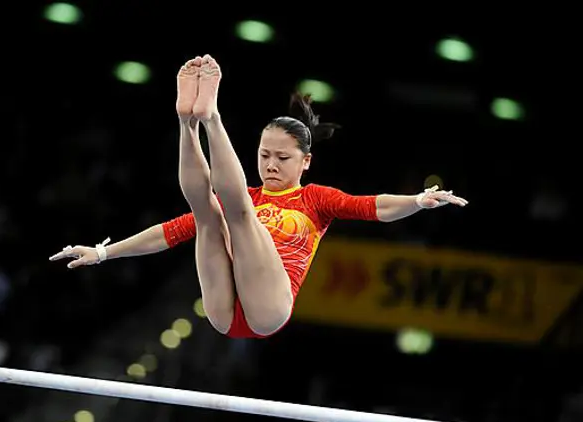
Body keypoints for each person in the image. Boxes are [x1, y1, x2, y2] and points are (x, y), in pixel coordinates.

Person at [49, 54, 468, 339]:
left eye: (282, 158)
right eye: (264, 155)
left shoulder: (316, 200)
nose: (270, 165)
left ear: (305, 162)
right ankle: (187, 124)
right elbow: (170, 232)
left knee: (239, 212)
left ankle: (211, 118)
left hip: (269, 309)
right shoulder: (243, 195)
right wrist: (104, 254)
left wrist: (415, 201)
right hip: (221, 310)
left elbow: (373, 207)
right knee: (208, 212)